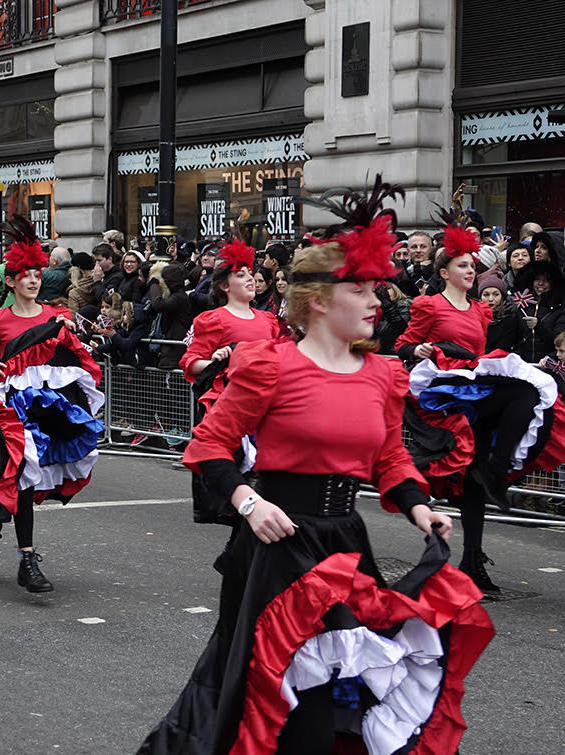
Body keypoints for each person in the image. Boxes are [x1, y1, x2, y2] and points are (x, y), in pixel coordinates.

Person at [139, 177, 492, 754]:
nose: (378, 302)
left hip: (345, 545)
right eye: (362, 289)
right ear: (321, 300)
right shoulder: (268, 366)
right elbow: (210, 446)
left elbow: (389, 456)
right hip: (276, 548)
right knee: (278, 699)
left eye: (378, 289)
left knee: (342, 696)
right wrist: (249, 504)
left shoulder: (382, 374)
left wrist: (418, 507)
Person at [396, 208, 565, 592]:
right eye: (462, 266)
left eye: (473, 266)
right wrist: (417, 349)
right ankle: (496, 470)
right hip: (446, 392)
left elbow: (482, 352)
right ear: (444, 273)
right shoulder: (429, 305)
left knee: (477, 474)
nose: (470, 271)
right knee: (523, 392)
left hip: (474, 388)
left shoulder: (480, 309)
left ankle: (472, 558)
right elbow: (405, 343)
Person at [0, 216, 103, 594]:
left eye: (37, 274)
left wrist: (79, 338)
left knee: (29, 479)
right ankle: (22, 554)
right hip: (11, 411)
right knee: (18, 476)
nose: (34, 280)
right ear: (11, 281)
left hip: (45, 406)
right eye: (26, 275)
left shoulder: (57, 316)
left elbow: (75, 355)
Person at [178, 239, 282, 523]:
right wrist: (216, 359)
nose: (250, 279)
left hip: (267, 405)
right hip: (231, 405)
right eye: (241, 275)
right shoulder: (213, 319)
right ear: (225, 286)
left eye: (250, 274)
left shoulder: (268, 319)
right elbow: (190, 362)